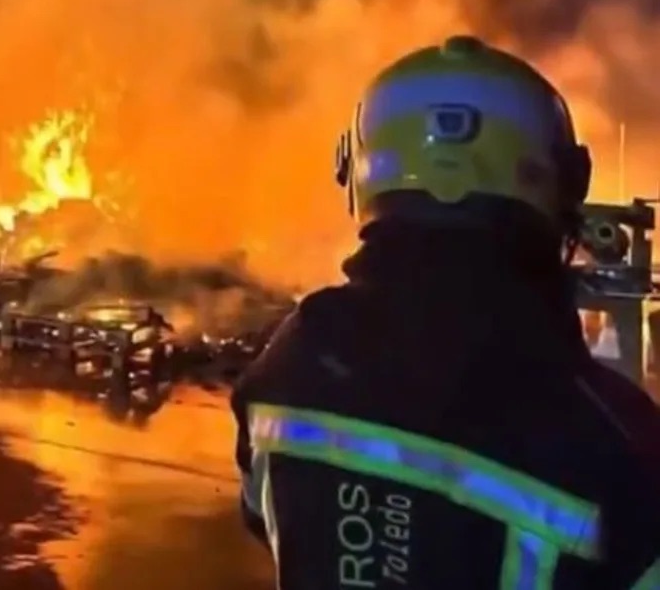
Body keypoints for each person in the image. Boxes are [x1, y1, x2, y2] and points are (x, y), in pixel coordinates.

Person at [232, 35, 660, 589]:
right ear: (562, 185)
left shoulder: (289, 362)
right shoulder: (613, 437)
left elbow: (267, 518)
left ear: (361, 174)